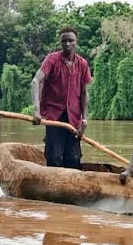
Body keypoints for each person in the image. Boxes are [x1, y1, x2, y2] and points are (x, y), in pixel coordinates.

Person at [31, 27, 92, 169]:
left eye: (70, 40)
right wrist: (36, 110)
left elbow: (84, 94)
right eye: (63, 41)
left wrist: (84, 120)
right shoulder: (52, 60)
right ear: (60, 42)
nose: (67, 44)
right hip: (54, 118)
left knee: (74, 159)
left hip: (73, 120)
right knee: (54, 157)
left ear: (76, 42)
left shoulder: (82, 64)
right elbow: (35, 82)